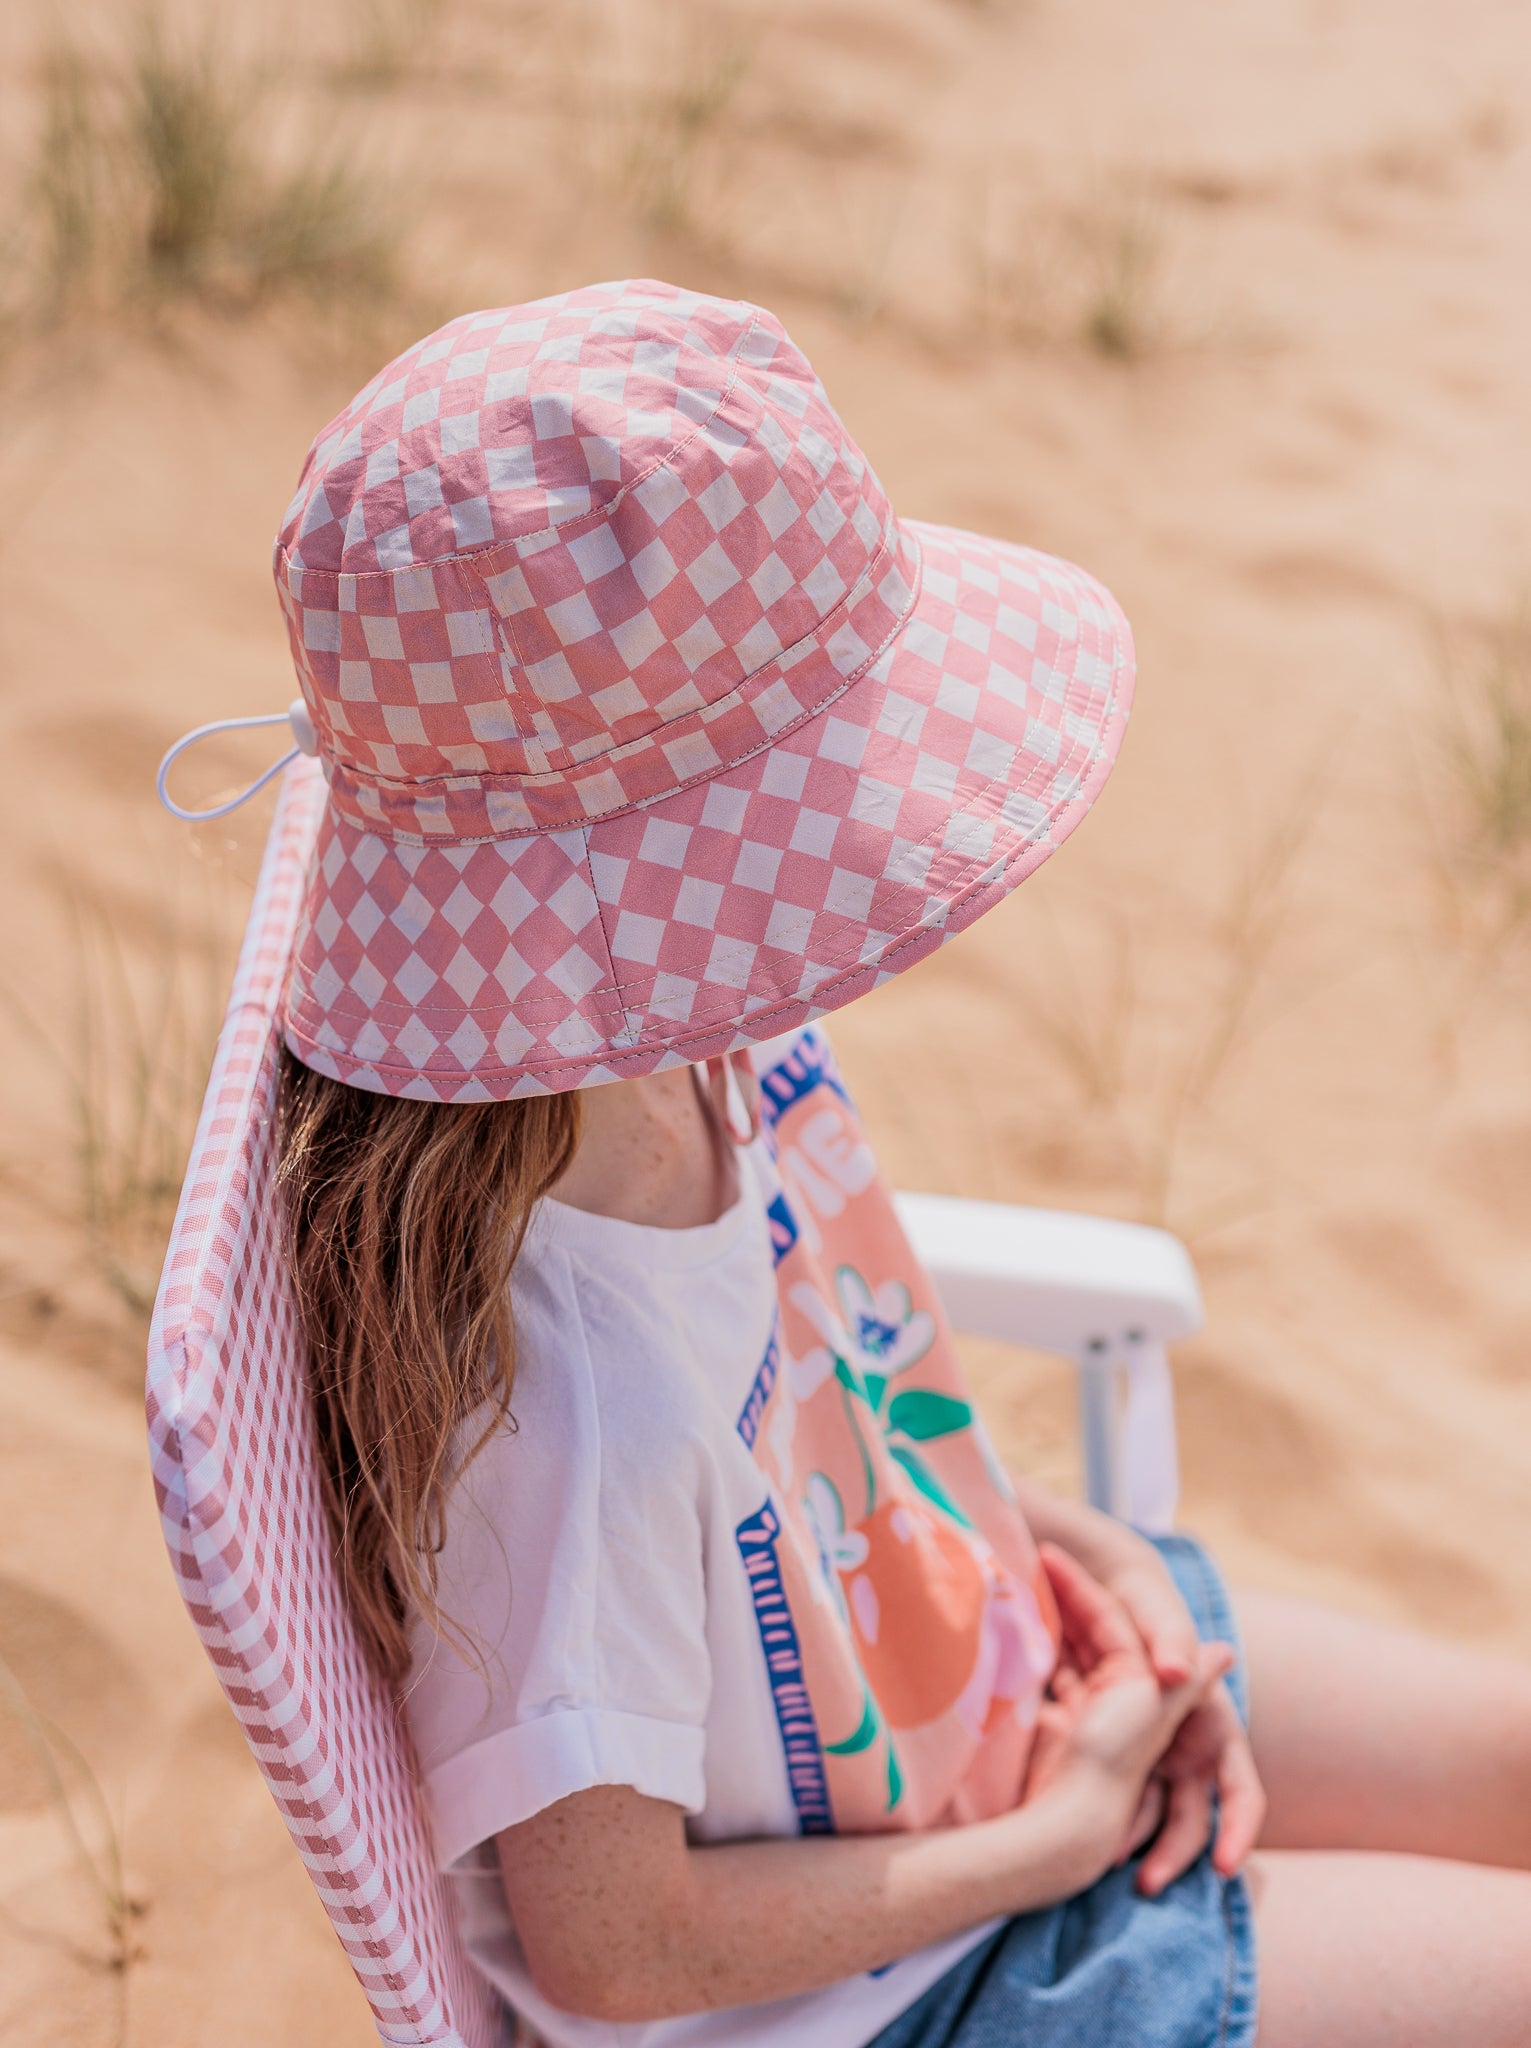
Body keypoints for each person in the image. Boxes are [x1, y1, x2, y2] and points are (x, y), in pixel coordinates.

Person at [209, 280, 1531, 2048]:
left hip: (963, 1666)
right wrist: (1053, 1842)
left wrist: (1092, 1578)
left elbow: (827, 1441)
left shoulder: (676, 1044)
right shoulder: (568, 1417)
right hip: (896, 1981)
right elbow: (615, 1947)